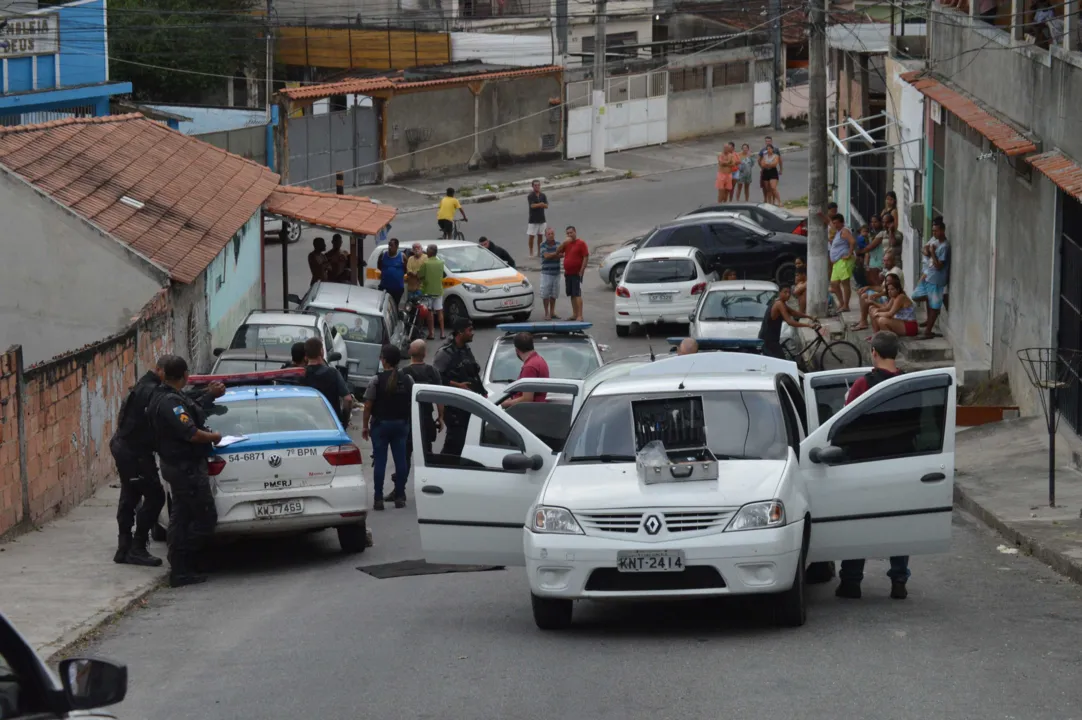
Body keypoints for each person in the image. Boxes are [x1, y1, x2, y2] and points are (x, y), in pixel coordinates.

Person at [109, 356, 223, 568]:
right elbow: (180, 408)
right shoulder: (154, 392)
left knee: (130, 494)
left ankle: (125, 547)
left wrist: (205, 392)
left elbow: (182, 397)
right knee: (154, 497)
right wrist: (207, 395)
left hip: (129, 448)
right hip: (134, 451)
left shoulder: (150, 386)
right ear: (160, 371)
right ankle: (137, 548)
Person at [836, 331, 909, 601]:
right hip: (902, 465)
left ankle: (851, 582)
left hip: (864, 465)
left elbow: (843, 420)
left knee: (858, 524)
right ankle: (899, 580)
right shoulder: (910, 383)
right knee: (898, 524)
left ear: (874, 353)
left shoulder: (862, 385)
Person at [148, 356, 223, 588]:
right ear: (184, 375)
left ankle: (181, 568)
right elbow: (190, 432)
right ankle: (182, 562)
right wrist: (215, 437)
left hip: (179, 466)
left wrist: (209, 395)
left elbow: (193, 405)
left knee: (181, 517)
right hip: (185, 468)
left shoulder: (165, 396)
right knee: (204, 517)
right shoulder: (170, 402)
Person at [387, 339, 444, 503]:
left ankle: (399, 491)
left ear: (410, 353)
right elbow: (439, 397)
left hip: (407, 420)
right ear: (425, 353)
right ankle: (432, 489)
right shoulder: (432, 372)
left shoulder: (403, 372)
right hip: (426, 420)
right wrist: (440, 417)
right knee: (427, 456)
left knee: (403, 456)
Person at [362, 344, 414, 511]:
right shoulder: (407, 380)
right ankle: (399, 496)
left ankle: (378, 498)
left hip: (381, 426)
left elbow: (368, 406)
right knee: (401, 460)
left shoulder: (376, 380)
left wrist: (364, 426)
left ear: (383, 360)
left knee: (380, 462)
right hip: (401, 424)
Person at [432, 318, 484, 456]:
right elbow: (436, 379)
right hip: (454, 407)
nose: (473, 333)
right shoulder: (445, 353)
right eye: (470, 330)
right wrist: (457, 385)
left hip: (469, 404)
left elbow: (473, 371)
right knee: (454, 443)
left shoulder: (465, 349)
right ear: (460, 332)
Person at [911, 218, 951, 338]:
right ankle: (934, 310)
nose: (934, 233)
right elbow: (925, 249)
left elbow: (939, 266)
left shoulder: (945, 246)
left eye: (936, 231)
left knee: (933, 305)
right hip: (928, 276)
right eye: (933, 231)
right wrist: (928, 252)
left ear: (943, 230)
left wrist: (932, 252)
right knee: (916, 295)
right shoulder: (934, 240)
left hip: (936, 279)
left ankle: (928, 331)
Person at [301, 337, 353, 426]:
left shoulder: (300, 375)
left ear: (306, 355)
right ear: (321, 351)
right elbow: (348, 399)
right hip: (331, 423)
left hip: (305, 422)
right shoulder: (333, 373)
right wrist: (344, 420)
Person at [758, 285, 818, 359]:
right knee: (781, 361)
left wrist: (810, 317)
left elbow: (793, 312)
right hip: (769, 341)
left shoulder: (781, 302)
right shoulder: (779, 304)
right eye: (785, 292)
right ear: (780, 293)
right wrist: (808, 325)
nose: (788, 295)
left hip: (771, 339)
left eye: (789, 293)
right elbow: (790, 322)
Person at [851, 252, 904, 330]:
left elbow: (889, 291)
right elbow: (882, 288)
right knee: (862, 291)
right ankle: (863, 320)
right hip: (886, 296)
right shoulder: (889, 271)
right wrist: (868, 287)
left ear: (893, 261)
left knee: (865, 296)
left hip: (890, 299)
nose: (885, 263)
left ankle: (863, 321)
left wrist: (877, 295)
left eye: (888, 261)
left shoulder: (895, 272)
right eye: (884, 261)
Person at [501, 333, 550, 408]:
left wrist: (507, 403)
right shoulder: (539, 360)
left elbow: (527, 399)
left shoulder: (529, 367)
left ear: (517, 350)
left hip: (528, 413)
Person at [558, 226, 589, 321]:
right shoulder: (566, 244)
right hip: (568, 273)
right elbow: (557, 251)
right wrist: (563, 243)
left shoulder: (581, 243)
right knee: (571, 294)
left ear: (575, 232)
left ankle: (580, 315)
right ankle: (575, 314)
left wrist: (582, 270)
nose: (569, 235)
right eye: (567, 233)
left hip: (576, 273)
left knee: (577, 294)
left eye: (571, 232)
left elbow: (586, 256)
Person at [828, 214, 857, 312]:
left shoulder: (844, 231)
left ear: (842, 222)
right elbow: (829, 222)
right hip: (837, 262)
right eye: (834, 223)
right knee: (834, 284)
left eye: (836, 223)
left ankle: (846, 305)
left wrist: (849, 254)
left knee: (845, 283)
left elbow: (852, 241)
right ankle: (842, 303)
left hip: (843, 261)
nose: (835, 225)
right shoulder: (838, 232)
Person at [417, 244, 446, 340]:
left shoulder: (426, 263)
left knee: (430, 312)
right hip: (438, 290)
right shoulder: (441, 262)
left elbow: (420, 275)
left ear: (430, 252)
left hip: (428, 290)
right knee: (439, 311)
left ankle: (431, 333)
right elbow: (443, 274)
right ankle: (442, 333)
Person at [376, 237, 406, 308]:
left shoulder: (402, 257)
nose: (389, 247)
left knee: (394, 306)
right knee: (383, 306)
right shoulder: (383, 256)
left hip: (397, 288)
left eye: (391, 245)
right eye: (389, 245)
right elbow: (379, 266)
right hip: (384, 287)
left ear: (397, 247)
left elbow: (405, 269)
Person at [539, 227, 562, 320]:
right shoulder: (543, 245)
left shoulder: (558, 244)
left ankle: (552, 312)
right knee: (545, 294)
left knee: (554, 293)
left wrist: (553, 255)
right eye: (549, 234)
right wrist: (556, 254)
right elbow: (546, 256)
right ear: (545, 235)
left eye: (552, 233)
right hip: (546, 273)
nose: (551, 235)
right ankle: (546, 312)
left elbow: (562, 255)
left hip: (556, 272)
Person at [526, 179, 548, 258]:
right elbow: (532, 206)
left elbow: (546, 205)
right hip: (533, 220)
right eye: (535, 185)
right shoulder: (530, 196)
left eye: (538, 185)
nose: (537, 187)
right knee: (531, 236)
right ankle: (531, 251)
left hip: (542, 219)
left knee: (540, 236)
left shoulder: (543, 195)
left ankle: (539, 251)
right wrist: (540, 204)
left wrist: (542, 205)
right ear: (532, 186)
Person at [759, 138, 783, 204]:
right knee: (767, 189)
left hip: (773, 172)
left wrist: (780, 169)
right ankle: (769, 202)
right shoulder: (764, 155)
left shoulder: (776, 155)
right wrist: (767, 164)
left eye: (770, 149)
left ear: (772, 149)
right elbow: (762, 163)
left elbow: (775, 164)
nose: (769, 150)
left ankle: (779, 201)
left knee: (773, 187)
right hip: (765, 172)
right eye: (767, 149)